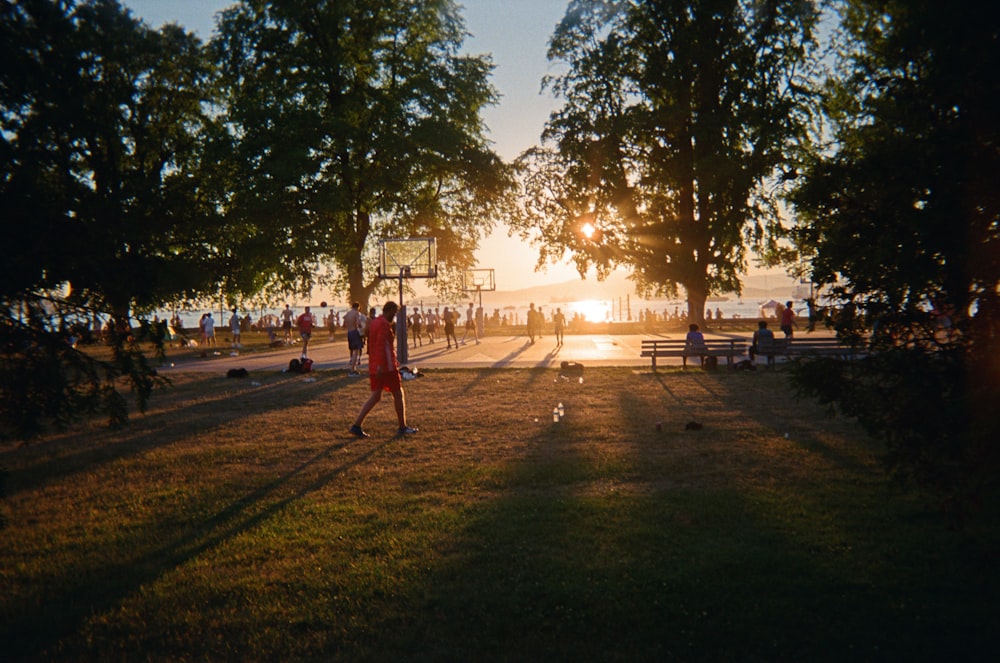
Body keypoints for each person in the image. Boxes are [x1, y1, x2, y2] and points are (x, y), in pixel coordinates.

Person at [349, 301, 418, 438]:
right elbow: (381, 344)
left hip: (376, 365)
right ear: (390, 310)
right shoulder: (383, 325)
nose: (395, 316)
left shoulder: (375, 323)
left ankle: (356, 425)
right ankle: (402, 427)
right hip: (386, 366)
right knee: (398, 393)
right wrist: (381, 364)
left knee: (375, 396)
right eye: (394, 312)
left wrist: (375, 363)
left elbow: (372, 343)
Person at [344, 301, 364, 376]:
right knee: (356, 351)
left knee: (352, 349)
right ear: (357, 307)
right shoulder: (356, 313)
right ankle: (353, 369)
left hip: (349, 332)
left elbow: (344, 323)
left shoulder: (348, 314)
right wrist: (362, 329)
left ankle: (352, 368)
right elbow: (358, 323)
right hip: (354, 332)